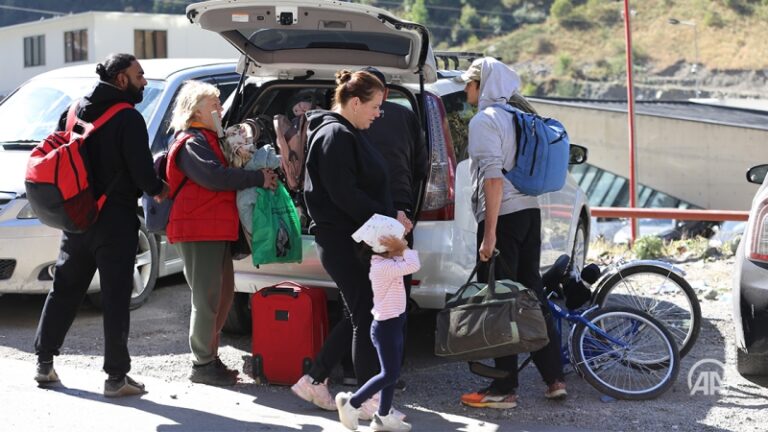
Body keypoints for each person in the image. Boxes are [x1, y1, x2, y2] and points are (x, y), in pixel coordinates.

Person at [33, 53, 170, 397]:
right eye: (139, 75)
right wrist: (160, 188)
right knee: (115, 298)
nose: (143, 82)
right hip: (115, 222)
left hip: (77, 217)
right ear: (121, 79)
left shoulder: (74, 110)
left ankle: (44, 363)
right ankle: (116, 378)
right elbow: (143, 174)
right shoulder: (129, 118)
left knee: (64, 289)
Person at [291, 70, 411, 416]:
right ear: (355, 102)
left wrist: (389, 217)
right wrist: (389, 219)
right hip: (344, 241)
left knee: (362, 311)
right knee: (368, 314)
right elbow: (345, 195)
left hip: (351, 238)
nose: (379, 113)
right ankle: (369, 402)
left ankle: (314, 379)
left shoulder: (345, 132)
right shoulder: (336, 135)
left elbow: (353, 192)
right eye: (375, 106)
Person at [456, 57, 566, 409]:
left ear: (482, 85)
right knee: (532, 296)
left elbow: (493, 180)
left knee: (500, 302)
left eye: (469, 83)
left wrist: (489, 235)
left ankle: (504, 388)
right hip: (530, 214)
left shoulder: (484, 121)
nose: (465, 90)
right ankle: (554, 377)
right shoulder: (518, 117)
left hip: (502, 217)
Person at [164, 80, 278, 386]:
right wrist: (256, 178)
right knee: (208, 298)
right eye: (213, 103)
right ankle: (202, 363)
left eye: (218, 102)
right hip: (197, 229)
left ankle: (209, 359)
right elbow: (214, 177)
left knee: (223, 295)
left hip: (213, 228)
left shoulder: (209, 139)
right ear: (194, 110)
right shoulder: (191, 141)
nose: (220, 108)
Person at [339, 66, 427, 389]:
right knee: (394, 295)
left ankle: (352, 368)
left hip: (360, 215)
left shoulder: (348, 121)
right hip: (397, 215)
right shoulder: (406, 116)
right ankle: (390, 371)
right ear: (384, 92)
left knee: (356, 294)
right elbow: (421, 167)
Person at [336, 218, 420, 432]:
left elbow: (406, 261)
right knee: (389, 374)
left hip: (394, 323)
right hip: (386, 328)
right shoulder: (382, 267)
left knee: (391, 373)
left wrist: (399, 246)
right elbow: (413, 265)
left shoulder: (388, 262)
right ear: (385, 246)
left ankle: (383, 416)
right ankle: (352, 403)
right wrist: (404, 248)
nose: (404, 241)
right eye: (398, 239)